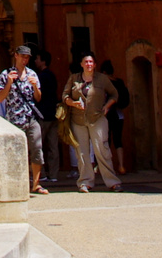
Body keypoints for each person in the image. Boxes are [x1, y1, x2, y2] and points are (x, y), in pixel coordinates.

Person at [62, 54, 121, 192]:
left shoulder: (102, 79)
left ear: (94, 65)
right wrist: (73, 103)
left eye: (91, 62)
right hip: (78, 120)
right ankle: (85, 182)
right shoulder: (74, 79)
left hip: (98, 118)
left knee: (102, 149)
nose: (89, 64)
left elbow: (114, 94)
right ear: (81, 64)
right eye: (86, 62)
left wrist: (107, 106)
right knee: (82, 152)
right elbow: (65, 96)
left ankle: (112, 181)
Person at [0, 45, 46, 194]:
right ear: (16, 56)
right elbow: (0, 98)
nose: (25, 60)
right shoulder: (6, 74)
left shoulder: (32, 74)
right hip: (14, 120)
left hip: (30, 117)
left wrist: (35, 87)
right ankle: (17, 182)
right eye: (22, 56)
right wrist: (9, 83)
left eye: (27, 57)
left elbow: (38, 98)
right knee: (15, 151)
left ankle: (36, 183)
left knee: (37, 149)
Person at [33, 49, 62, 183]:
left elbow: (38, 96)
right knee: (53, 146)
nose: (35, 61)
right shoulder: (52, 75)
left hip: (42, 115)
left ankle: (42, 174)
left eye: (37, 58)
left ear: (43, 61)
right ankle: (54, 174)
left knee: (39, 146)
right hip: (53, 114)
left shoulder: (40, 77)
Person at [99, 59, 131, 177]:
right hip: (119, 115)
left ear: (104, 72)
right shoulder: (120, 82)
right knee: (118, 140)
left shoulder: (105, 83)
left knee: (106, 140)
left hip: (107, 114)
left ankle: (108, 166)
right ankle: (121, 165)